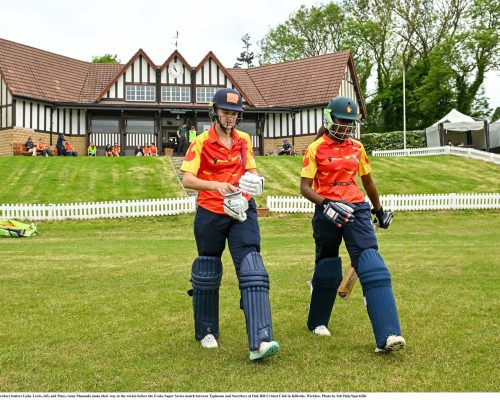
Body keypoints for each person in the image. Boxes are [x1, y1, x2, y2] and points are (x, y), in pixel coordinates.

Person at [300, 96, 405, 353]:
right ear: (329, 119)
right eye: (341, 121)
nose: (345, 126)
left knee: (371, 262)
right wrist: (326, 205)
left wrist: (379, 211)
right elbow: (304, 187)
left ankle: (388, 335)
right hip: (327, 211)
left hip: (356, 208)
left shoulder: (357, 148)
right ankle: (317, 321)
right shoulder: (315, 149)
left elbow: (368, 182)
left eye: (350, 122)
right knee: (327, 266)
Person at [180, 88, 279, 361]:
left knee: (252, 266)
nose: (230, 117)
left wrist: (255, 182)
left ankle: (261, 339)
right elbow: (187, 179)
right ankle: (207, 330)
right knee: (208, 268)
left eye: (234, 113)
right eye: (225, 112)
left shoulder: (244, 140)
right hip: (211, 211)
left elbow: (251, 171)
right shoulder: (200, 142)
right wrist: (216, 185)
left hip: (242, 209)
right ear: (215, 112)